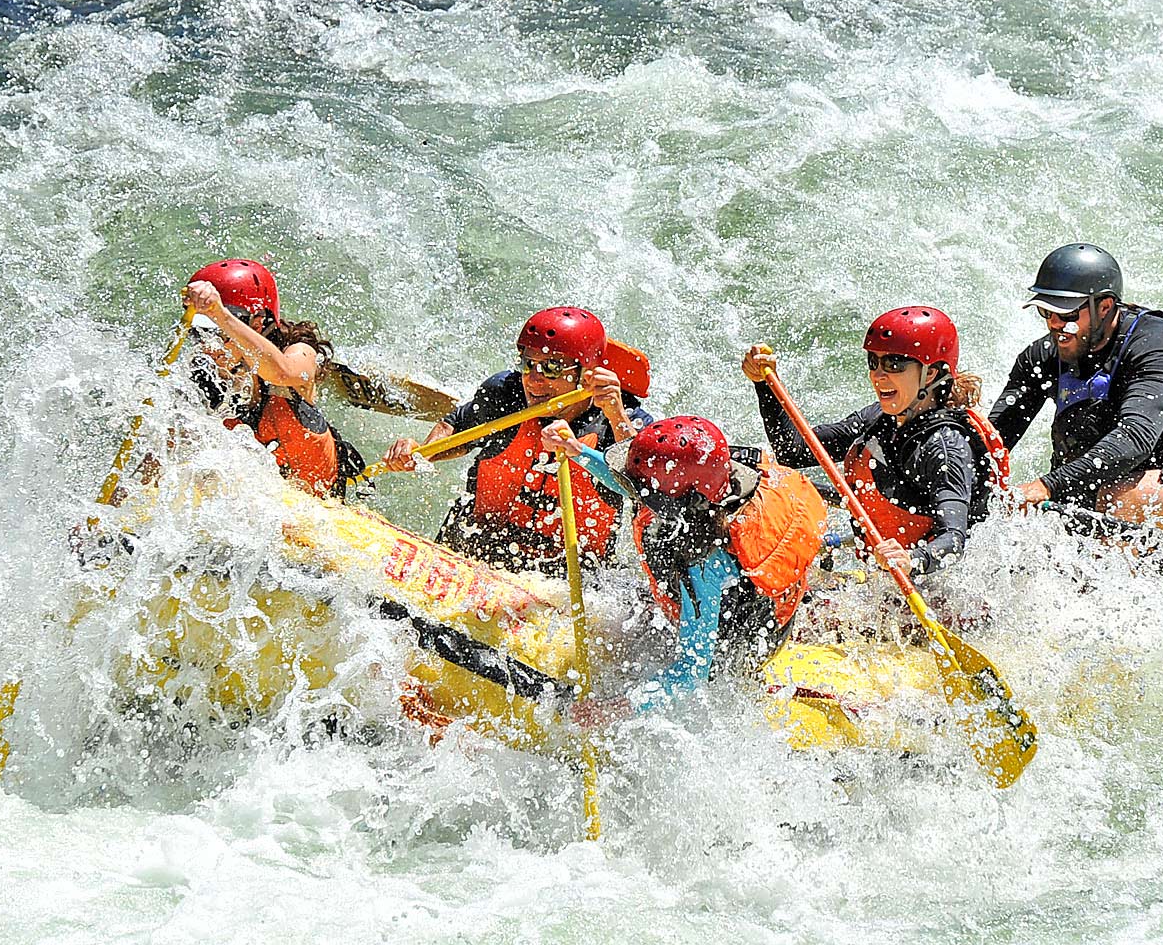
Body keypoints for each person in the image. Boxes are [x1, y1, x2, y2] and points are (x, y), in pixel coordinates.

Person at [540, 415, 827, 728]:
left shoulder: (703, 564)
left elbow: (692, 672)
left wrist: (619, 707)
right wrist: (576, 450)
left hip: (749, 638)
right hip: (752, 596)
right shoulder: (712, 482)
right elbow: (633, 486)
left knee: (703, 665)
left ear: (673, 507)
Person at [989, 242, 1163, 524]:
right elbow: (991, 443)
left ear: (1104, 306)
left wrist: (1047, 486)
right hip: (1099, 491)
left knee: (1122, 498)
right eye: (1046, 312)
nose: (1054, 324)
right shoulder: (1042, 357)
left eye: (1067, 315)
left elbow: (1136, 436)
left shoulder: (1156, 346)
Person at [741, 307, 1009, 578]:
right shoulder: (880, 418)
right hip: (883, 573)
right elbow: (793, 451)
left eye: (894, 364)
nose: (877, 376)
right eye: (874, 362)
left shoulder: (945, 449)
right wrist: (764, 385)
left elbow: (953, 540)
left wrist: (912, 560)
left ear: (930, 374)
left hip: (941, 583)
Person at [381, 307, 651, 575]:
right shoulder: (505, 393)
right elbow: (454, 427)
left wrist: (616, 418)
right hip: (475, 547)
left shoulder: (620, 418)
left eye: (552, 367)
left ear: (587, 374)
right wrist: (420, 452)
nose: (533, 380)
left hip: (565, 576)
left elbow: (645, 490)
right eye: (527, 363)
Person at [184, 259, 359, 497]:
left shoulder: (299, 350)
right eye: (199, 330)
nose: (207, 345)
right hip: (257, 499)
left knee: (279, 407)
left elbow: (283, 372)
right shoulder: (204, 374)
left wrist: (219, 314)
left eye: (215, 330)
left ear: (256, 324)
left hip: (322, 498)